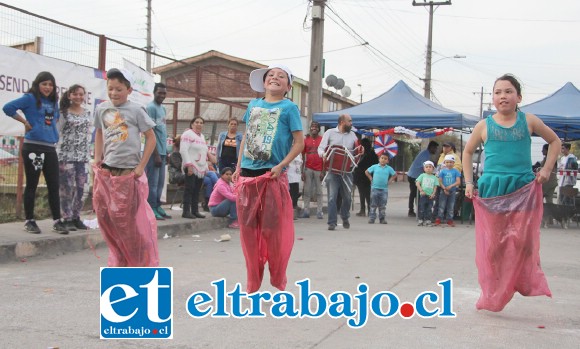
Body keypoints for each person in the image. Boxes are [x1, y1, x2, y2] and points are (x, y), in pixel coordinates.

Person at [463, 74, 560, 312]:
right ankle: (494, 291)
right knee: (494, 244)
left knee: (524, 242)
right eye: (497, 92)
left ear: (519, 97)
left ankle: (521, 280)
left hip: (524, 188)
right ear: (492, 98)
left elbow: (555, 141)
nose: (503, 96)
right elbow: (467, 153)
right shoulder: (483, 125)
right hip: (492, 189)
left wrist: (546, 169)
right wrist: (468, 182)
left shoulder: (529, 121)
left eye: (508, 91)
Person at [232, 64, 304, 293]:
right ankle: (253, 280)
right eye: (270, 75)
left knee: (272, 230)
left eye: (281, 76)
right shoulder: (253, 105)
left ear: (288, 86)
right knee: (248, 230)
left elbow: (299, 143)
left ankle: (277, 276)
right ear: (264, 83)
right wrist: (238, 166)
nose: (275, 78)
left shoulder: (289, 108)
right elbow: (247, 137)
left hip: (271, 176)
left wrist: (281, 166)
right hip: (247, 176)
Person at [93, 68, 159, 267]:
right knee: (107, 216)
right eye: (111, 88)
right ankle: (120, 256)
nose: (114, 93)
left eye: (119, 89)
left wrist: (140, 167)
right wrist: (98, 158)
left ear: (129, 90)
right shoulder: (102, 109)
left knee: (127, 220)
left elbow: (151, 138)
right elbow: (99, 133)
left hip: (128, 172)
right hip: (107, 170)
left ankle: (137, 259)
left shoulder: (136, 110)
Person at [2, 71, 69, 234]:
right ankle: (30, 221)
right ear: (37, 85)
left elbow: (55, 121)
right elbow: (7, 107)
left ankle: (57, 221)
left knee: (54, 185)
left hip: (50, 147)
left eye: (50, 85)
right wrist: (24, 122)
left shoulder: (53, 102)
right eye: (44, 84)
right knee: (32, 184)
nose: (47, 87)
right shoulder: (30, 98)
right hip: (33, 147)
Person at [57, 84, 91, 231]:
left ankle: (76, 217)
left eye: (81, 94)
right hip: (66, 157)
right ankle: (67, 217)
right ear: (69, 95)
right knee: (67, 188)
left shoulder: (88, 113)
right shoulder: (63, 113)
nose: (78, 97)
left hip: (83, 157)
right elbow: (57, 132)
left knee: (82, 188)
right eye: (75, 94)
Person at [318, 114, 360, 231]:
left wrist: (359, 152)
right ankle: (332, 222)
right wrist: (323, 155)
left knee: (347, 197)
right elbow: (320, 148)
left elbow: (357, 150)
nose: (351, 124)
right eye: (349, 121)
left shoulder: (353, 135)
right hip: (332, 170)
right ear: (342, 122)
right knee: (332, 197)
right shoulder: (329, 133)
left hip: (347, 171)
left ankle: (345, 216)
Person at [180, 116, 217, 219]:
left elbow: (204, 152)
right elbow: (183, 150)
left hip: (200, 167)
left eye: (201, 122)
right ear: (192, 124)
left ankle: (195, 211)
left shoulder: (202, 137)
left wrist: (206, 166)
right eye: (197, 122)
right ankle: (186, 211)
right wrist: (188, 165)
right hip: (191, 166)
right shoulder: (187, 134)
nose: (199, 124)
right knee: (189, 189)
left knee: (197, 190)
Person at [145, 82, 171, 220]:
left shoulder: (163, 109)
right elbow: (151, 132)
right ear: (154, 92)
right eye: (159, 92)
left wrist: (165, 151)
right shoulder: (150, 108)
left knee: (161, 182)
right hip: (153, 153)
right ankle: (151, 207)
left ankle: (158, 205)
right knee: (153, 183)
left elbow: (162, 132)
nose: (162, 95)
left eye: (164, 93)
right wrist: (155, 154)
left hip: (162, 151)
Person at [407, 140, 439, 217]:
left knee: (415, 194)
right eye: (435, 148)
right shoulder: (425, 155)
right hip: (414, 175)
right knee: (414, 194)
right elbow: (424, 167)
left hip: (414, 174)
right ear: (431, 147)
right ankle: (412, 211)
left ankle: (418, 210)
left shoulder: (425, 153)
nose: (435, 150)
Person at [300, 121, 324, 219]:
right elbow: (302, 156)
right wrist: (302, 171)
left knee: (319, 191)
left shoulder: (322, 140)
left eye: (316, 127)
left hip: (319, 169)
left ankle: (319, 211)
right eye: (312, 127)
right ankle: (306, 210)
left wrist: (323, 171)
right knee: (307, 191)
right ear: (310, 128)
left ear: (319, 129)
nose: (314, 128)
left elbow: (325, 157)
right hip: (308, 168)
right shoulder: (306, 140)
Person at [365, 153, 396, 224]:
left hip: (384, 189)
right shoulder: (375, 167)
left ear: (388, 161)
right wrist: (370, 178)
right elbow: (366, 172)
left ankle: (382, 219)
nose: (383, 160)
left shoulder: (389, 168)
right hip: (374, 188)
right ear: (379, 159)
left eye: (385, 159)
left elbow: (394, 175)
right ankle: (372, 218)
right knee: (373, 204)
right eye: (382, 158)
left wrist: (389, 181)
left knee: (382, 205)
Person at [434, 154, 461, 227]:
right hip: (443, 190)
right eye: (447, 162)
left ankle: (450, 219)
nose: (449, 164)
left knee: (451, 206)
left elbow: (458, 181)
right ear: (444, 162)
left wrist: (451, 186)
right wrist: (444, 188)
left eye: (451, 162)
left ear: (453, 163)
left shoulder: (456, 171)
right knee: (441, 205)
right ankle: (439, 218)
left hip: (452, 190)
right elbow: (439, 181)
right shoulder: (442, 171)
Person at [354, 138, 378, 217]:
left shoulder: (362, 153)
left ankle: (363, 210)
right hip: (368, 176)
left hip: (361, 175)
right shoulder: (373, 153)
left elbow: (358, 164)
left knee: (362, 193)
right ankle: (369, 210)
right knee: (367, 193)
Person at [415, 160, 438, 226]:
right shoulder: (422, 175)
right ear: (424, 169)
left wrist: (433, 194)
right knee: (422, 207)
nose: (428, 168)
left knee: (429, 208)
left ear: (433, 168)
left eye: (430, 167)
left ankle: (428, 220)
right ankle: (421, 219)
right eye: (426, 167)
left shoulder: (434, 178)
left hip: (430, 195)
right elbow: (417, 183)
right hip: (423, 195)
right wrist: (421, 190)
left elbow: (435, 187)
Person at [288, 155, 303, 220]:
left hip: (296, 174)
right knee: (290, 193)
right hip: (289, 174)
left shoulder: (298, 152)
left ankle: (293, 211)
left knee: (295, 192)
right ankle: (289, 213)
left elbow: (300, 160)